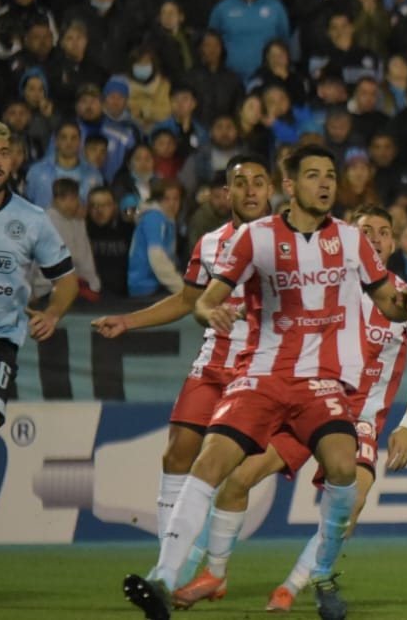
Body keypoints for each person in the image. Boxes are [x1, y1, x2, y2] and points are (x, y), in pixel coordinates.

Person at [122, 145, 407, 620]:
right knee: (212, 462)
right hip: (261, 374)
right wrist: (210, 311)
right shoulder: (256, 238)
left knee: (344, 469)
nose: (325, 184)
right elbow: (205, 298)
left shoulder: (351, 240)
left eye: (330, 176)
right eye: (313, 175)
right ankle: (163, 577)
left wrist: (402, 308)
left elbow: (386, 298)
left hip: (321, 383)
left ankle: (321, 571)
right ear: (290, 186)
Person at [171, 205, 407, 614]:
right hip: (306, 401)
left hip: (360, 419)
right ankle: (211, 574)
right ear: (351, 235)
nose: (375, 239)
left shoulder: (404, 300)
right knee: (237, 480)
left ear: (394, 242)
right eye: (366, 230)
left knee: (351, 504)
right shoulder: (326, 283)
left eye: (384, 232)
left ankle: (292, 588)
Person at [91, 155, 272, 549]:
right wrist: (128, 322)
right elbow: (188, 300)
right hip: (214, 362)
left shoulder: (289, 241)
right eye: (242, 183)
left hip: (263, 368)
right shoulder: (210, 243)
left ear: (271, 190)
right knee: (176, 455)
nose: (251, 189)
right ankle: (167, 560)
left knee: (235, 471)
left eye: (259, 181)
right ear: (227, 193)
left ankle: (214, 564)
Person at [0, 120, 77, 565]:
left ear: (13, 160)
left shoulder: (31, 220)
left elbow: (65, 281)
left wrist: (52, 313)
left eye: (3, 153)